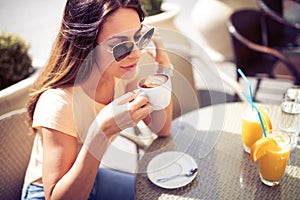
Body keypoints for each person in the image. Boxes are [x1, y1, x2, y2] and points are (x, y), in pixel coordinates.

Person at [21, 0, 173, 199]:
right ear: (85, 44)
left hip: (91, 177)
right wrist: (101, 132)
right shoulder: (58, 103)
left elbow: (161, 128)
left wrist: (163, 68)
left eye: (139, 37)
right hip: (49, 193)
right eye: (118, 45)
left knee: (162, 192)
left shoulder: (123, 72)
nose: (136, 53)